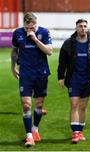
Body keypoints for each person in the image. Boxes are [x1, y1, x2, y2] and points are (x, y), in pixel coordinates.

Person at [57, 19, 90, 144]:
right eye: (80, 26)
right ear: (76, 28)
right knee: (75, 105)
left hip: (87, 81)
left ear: (87, 28)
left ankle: (80, 131)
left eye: (85, 26)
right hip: (73, 80)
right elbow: (62, 62)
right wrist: (60, 77)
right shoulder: (69, 44)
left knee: (83, 107)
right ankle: (75, 133)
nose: (83, 28)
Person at [11, 12, 53, 147]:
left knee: (39, 105)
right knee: (26, 104)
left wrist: (35, 39)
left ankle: (35, 128)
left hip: (41, 73)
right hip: (25, 73)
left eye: (33, 27)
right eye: (28, 28)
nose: (30, 29)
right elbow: (14, 51)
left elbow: (49, 51)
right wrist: (13, 67)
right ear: (24, 25)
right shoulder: (17, 33)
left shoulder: (44, 32)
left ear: (36, 24)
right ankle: (29, 135)